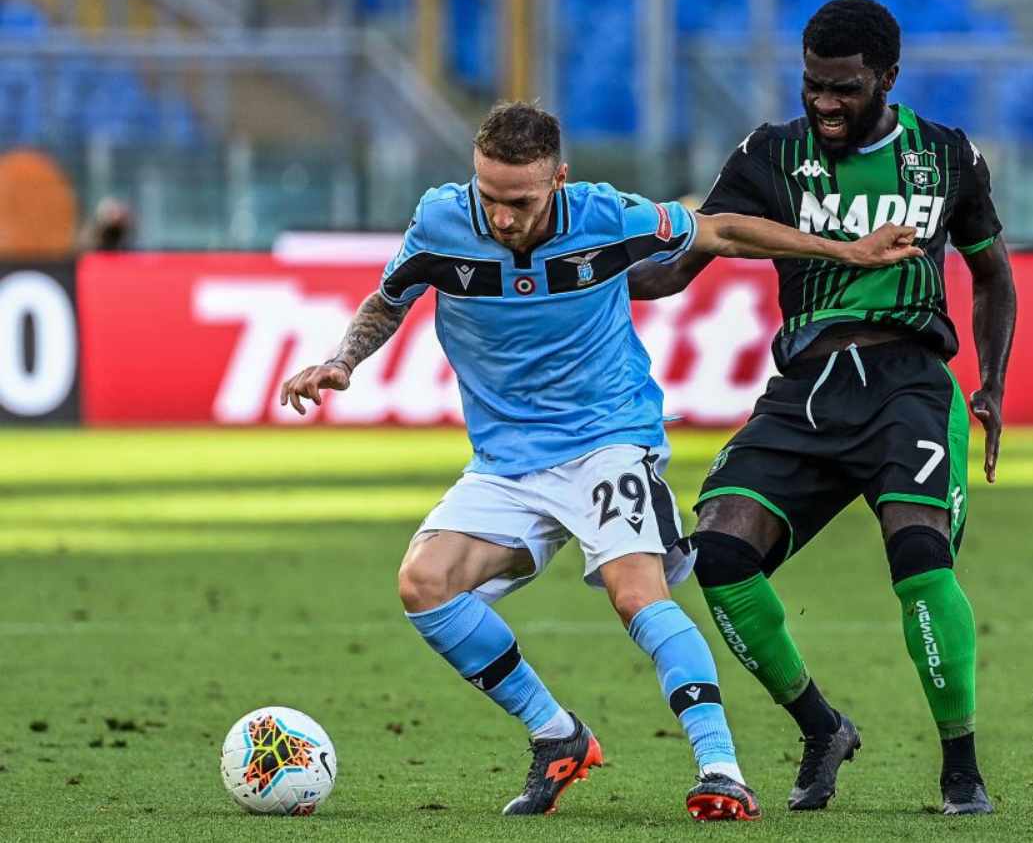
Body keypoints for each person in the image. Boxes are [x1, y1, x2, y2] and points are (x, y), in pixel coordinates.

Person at [279, 101, 921, 820]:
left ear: (559, 178)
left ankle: (722, 770)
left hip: (608, 439)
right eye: (488, 196)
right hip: (505, 461)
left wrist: (849, 251)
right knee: (424, 584)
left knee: (635, 593)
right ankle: (557, 736)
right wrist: (342, 361)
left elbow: (721, 230)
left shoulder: (606, 216)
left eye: (519, 200)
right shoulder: (440, 222)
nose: (501, 217)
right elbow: (388, 300)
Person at [627, 0, 1017, 816]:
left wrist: (993, 382)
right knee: (721, 557)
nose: (825, 103)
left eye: (844, 88)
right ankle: (820, 726)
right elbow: (681, 262)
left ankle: (961, 769)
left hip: (908, 385)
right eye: (813, 86)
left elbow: (991, 273)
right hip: (805, 392)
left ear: (888, 78)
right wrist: (581, 273)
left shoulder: (944, 156)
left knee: (919, 560)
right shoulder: (770, 155)